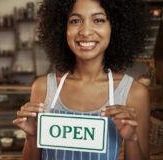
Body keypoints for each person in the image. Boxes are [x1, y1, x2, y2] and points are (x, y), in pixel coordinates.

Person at [13, 0, 150, 159]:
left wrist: (131, 139)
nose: (85, 31)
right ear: (63, 28)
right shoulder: (43, 88)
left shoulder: (134, 93)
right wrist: (32, 136)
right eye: (75, 21)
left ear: (116, 27)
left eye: (98, 20)